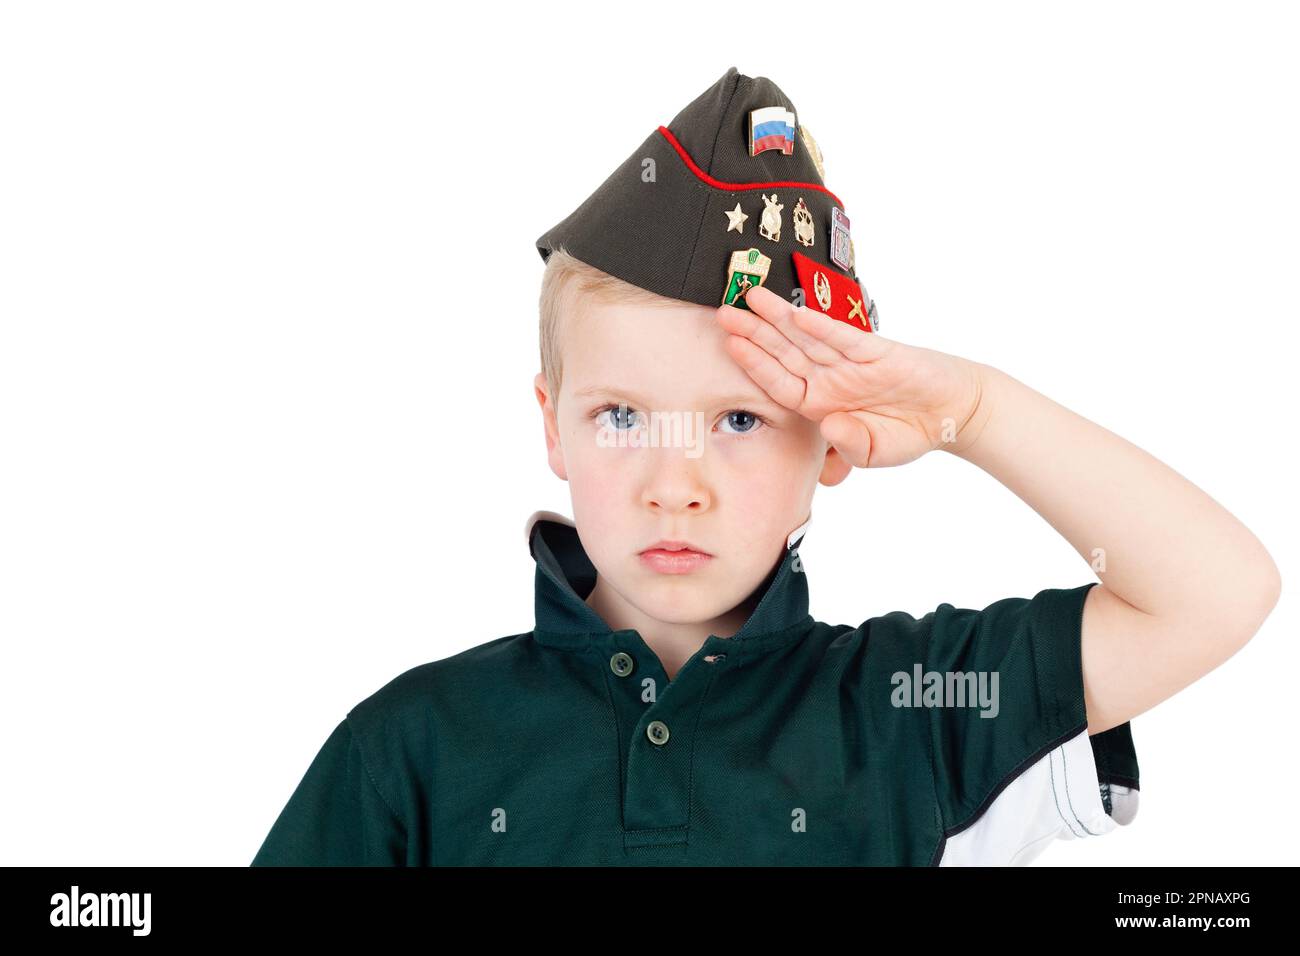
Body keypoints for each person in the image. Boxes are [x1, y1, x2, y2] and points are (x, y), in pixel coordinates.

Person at [250, 66, 1280, 866]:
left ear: (832, 435)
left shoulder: (911, 710)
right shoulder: (411, 746)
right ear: (551, 426)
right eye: (619, 414)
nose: (673, 480)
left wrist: (972, 410)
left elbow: (1216, 593)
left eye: (739, 418)